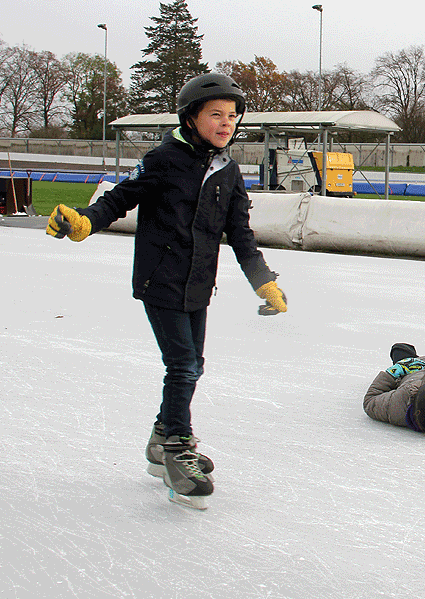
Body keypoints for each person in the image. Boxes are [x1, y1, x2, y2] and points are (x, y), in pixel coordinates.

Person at [45, 73, 288, 510]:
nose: (226, 123)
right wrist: (83, 221)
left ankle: (161, 440)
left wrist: (263, 280)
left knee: (193, 364)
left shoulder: (229, 171)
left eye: (232, 116)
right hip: (160, 280)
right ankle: (177, 450)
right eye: (215, 114)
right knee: (182, 366)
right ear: (191, 118)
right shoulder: (164, 159)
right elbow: (119, 199)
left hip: (198, 283)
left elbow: (240, 232)